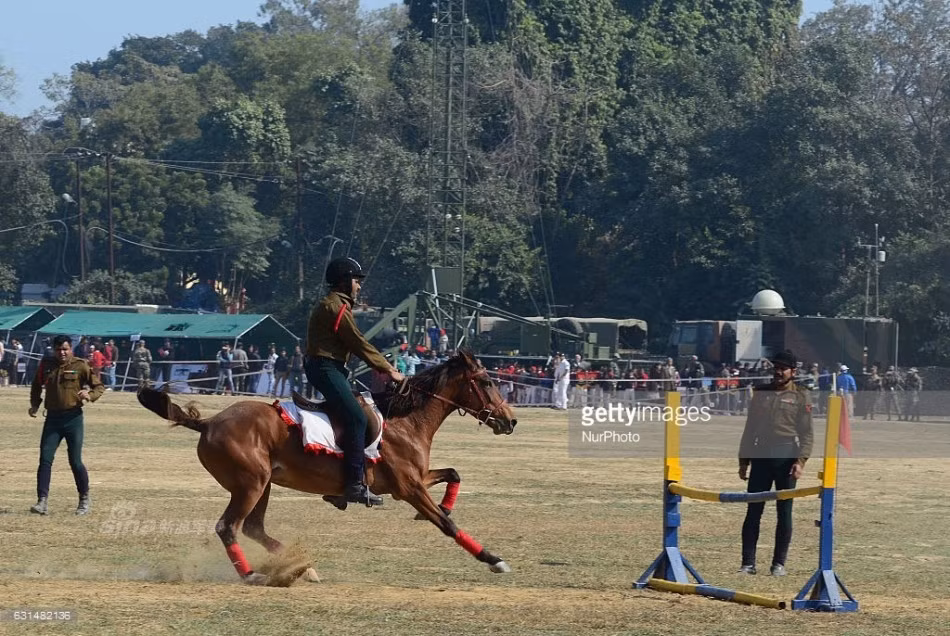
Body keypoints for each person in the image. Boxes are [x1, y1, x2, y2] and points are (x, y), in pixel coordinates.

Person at [305, 257, 405, 508]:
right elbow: (357, 342)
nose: (359, 286)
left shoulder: (337, 305)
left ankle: (337, 483)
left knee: (357, 411)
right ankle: (353, 485)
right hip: (326, 368)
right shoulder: (336, 307)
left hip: (331, 368)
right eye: (356, 281)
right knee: (357, 419)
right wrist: (388, 369)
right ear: (344, 281)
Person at [737, 349, 814, 577]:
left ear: (793, 371)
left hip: (786, 455)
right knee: (753, 510)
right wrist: (744, 460)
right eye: (776, 368)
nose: (779, 372)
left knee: (784, 511)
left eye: (783, 368)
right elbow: (749, 429)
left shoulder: (801, 395)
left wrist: (801, 461)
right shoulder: (760, 393)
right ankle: (748, 563)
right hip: (760, 454)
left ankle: (779, 563)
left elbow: (807, 433)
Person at [28, 335, 105, 516]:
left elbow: (99, 387)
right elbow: (36, 385)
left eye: (65, 349)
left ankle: (84, 499)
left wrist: (89, 395)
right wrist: (35, 404)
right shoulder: (46, 364)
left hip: (73, 419)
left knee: (75, 461)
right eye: (58, 349)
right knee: (45, 459)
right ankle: (42, 501)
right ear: (54, 350)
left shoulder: (80, 365)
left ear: (71, 348)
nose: (62, 353)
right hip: (52, 420)